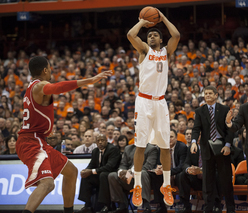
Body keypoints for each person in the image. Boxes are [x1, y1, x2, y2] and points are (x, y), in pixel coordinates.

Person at [16, 56, 112, 213]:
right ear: (45, 70)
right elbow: (58, 87)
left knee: (71, 172)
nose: (51, 72)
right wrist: (90, 80)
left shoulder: (30, 88)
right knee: (47, 184)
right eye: (50, 68)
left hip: (37, 140)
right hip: (32, 142)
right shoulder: (40, 85)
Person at [127, 8, 180, 207]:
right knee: (140, 145)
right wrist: (143, 21)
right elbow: (131, 35)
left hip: (160, 102)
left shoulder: (167, 51)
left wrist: (162, 17)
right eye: (149, 35)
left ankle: (166, 185)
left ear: (160, 39)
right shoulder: (143, 50)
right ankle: (138, 186)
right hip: (144, 101)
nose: (151, 37)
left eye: (155, 34)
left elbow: (176, 35)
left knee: (165, 146)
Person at [191, 85, 235, 213]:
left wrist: (227, 145)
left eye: (210, 93)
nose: (208, 95)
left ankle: (231, 209)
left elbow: (230, 130)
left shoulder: (224, 109)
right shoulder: (200, 111)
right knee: (207, 181)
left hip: (222, 148)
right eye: (206, 93)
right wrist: (194, 142)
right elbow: (196, 128)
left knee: (226, 180)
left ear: (216, 95)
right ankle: (209, 208)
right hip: (206, 148)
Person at [108, 143, 158, 213]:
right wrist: (122, 172)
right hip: (130, 179)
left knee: (143, 173)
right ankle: (122, 205)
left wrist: (131, 172)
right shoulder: (128, 148)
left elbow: (148, 166)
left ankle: (146, 206)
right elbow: (123, 165)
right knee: (112, 175)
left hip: (144, 180)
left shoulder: (152, 148)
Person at [78, 134, 121, 213]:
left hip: (111, 175)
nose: (100, 142)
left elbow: (109, 167)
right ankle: (87, 206)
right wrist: (85, 170)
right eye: (98, 141)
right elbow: (92, 164)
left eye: (102, 140)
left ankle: (106, 205)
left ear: (106, 141)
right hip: (100, 175)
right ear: (96, 142)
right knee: (86, 176)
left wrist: (91, 171)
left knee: (103, 175)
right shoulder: (95, 151)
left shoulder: (113, 149)